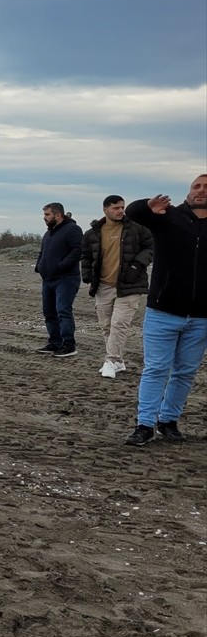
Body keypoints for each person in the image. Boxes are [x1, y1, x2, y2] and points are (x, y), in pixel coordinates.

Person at [122, 175, 207, 446]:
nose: (202, 191)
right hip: (163, 311)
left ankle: (168, 421)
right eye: (197, 186)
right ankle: (145, 424)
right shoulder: (169, 216)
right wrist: (147, 205)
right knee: (156, 369)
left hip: (202, 316)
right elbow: (133, 212)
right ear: (189, 190)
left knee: (185, 372)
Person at [80, 195, 153, 379]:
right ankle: (118, 361)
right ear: (105, 209)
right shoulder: (92, 233)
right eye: (115, 208)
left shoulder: (137, 229)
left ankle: (110, 361)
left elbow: (150, 247)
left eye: (122, 207)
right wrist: (87, 275)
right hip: (103, 286)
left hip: (130, 285)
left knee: (119, 324)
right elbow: (86, 256)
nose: (120, 210)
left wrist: (136, 266)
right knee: (106, 326)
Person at [34, 202, 82, 357]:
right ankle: (55, 343)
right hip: (48, 279)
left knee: (63, 311)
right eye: (45, 215)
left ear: (58, 214)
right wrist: (39, 266)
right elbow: (43, 252)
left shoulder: (73, 230)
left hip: (66, 278)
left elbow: (78, 251)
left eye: (47, 214)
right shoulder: (48, 233)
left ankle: (69, 345)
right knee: (49, 312)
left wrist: (61, 266)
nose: (44, 218)